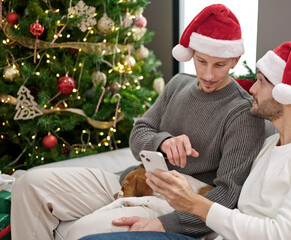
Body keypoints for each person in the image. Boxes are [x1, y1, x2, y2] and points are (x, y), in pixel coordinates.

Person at [11, 4, 266, 240]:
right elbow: (138, 135)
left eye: (220, 65)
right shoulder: (179, 84)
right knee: (28, 185)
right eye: (201, 62)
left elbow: (228, 196)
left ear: (234, 60)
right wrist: (163, 142)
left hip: (170, 203)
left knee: (81, 231)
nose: (208, 74)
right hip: (132, 180)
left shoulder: (242, 113)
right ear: (191, 54)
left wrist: (168, 224)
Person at [80, 41, 291, 240]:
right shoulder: (271, 146)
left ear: (286, 94)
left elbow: (282, 235)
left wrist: (195, 205)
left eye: (262, 82)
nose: (252, 88)